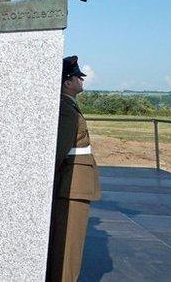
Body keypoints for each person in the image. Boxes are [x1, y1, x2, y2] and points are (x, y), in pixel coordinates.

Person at [47, 56, 101, 282]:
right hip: (71, 186)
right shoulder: (66, 109)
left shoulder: (69, 106)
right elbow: (59, 151)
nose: (81, 79)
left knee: (69, 245)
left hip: (74, 185)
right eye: (77, 76)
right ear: (67, 82)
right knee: (68, 247)